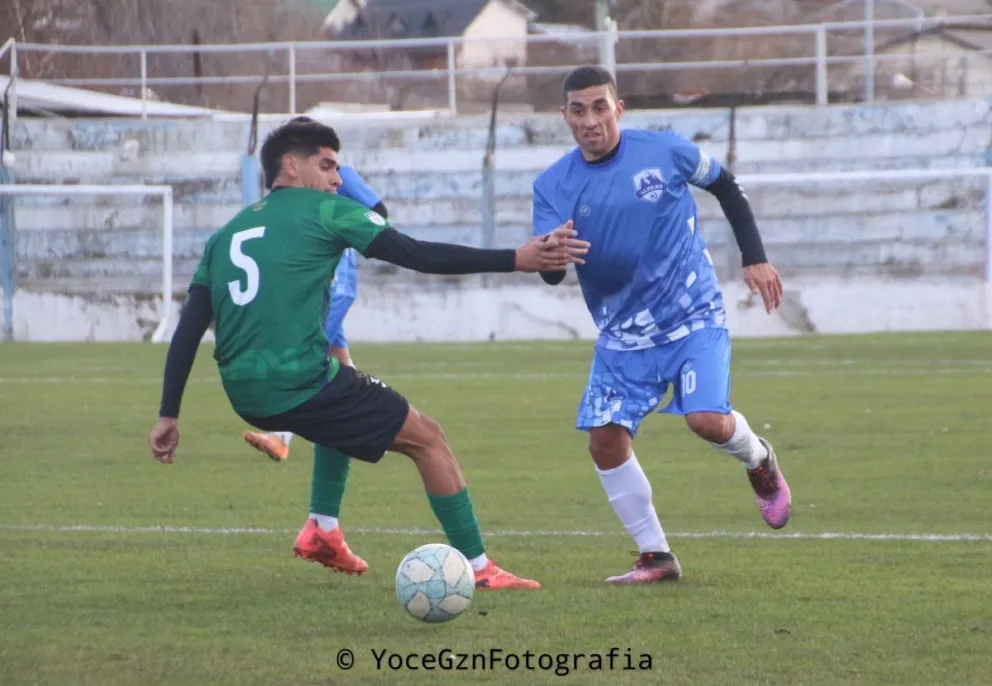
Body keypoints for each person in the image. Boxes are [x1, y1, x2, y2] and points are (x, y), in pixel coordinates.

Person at [148, 117, 589, 590]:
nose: (338, 179)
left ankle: (323, 528)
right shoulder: (325, 211)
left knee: (343, 380)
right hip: (296, 383)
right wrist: (513, 259)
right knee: (429, 439)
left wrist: (168, 414)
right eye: (328, 165)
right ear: (291, 167)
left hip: (245, 393)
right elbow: (416, 253)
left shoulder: (225, 235)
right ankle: (480, 568)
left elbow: (189, 328)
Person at [532, 65, 790, 585]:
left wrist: (755, 257)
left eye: (599, 107)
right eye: (578, 110)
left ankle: (759, 458)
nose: (590, 120)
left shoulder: (666, 150)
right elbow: (552, 273)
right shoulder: (552, 185)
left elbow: (727, 187)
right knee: (604, 441)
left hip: (693, 316)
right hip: (622, 336)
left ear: (618, 109)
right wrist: (552, 257)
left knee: (707, 422)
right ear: (564, 117)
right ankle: (656, 556)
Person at [242, 162, 387, 462]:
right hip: (314, 283)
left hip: (336, 284)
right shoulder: (299, 186)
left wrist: (348, 231)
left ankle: (281, 436)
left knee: (302, 355)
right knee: (339, 360)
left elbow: (379, 211)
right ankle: (380, 420)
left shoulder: (342, 174)